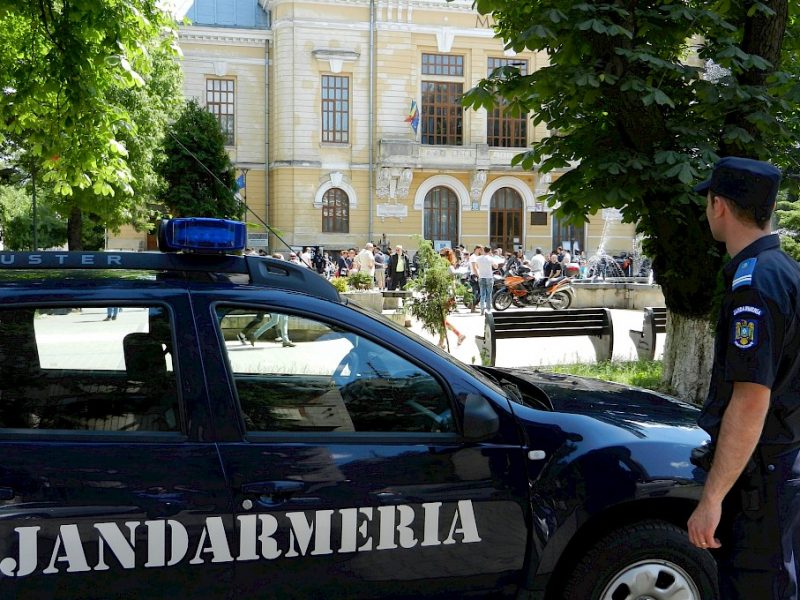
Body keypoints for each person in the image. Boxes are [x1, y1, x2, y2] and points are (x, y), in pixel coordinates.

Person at [686, 157, 800, 599]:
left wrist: (712, 499)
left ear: (719, 206)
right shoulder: (786, 271)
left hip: (762, 483)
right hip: (784, 465)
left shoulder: (754, 284)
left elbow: (751, 399)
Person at [437, 248, 466, 349]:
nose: (439, 257)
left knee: (442, 320)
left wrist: (453, 297)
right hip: (443, 294)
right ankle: (458, 335)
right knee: (442, 320)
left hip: (447, 295)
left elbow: (452, 283)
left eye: (441, 255)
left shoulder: (449, 268)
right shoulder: (444, 267)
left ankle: (442, 342)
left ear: (447, 256)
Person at [476, 245, 495, 316]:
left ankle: (482, 310)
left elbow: (477, 266)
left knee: (482, 294)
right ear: (489, 251)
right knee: (489, 294)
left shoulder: (478, 258)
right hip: (489, 277)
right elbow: (496, 266)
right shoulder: (490, 258)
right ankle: (488, 310)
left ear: (484, 250)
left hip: (481, 277)